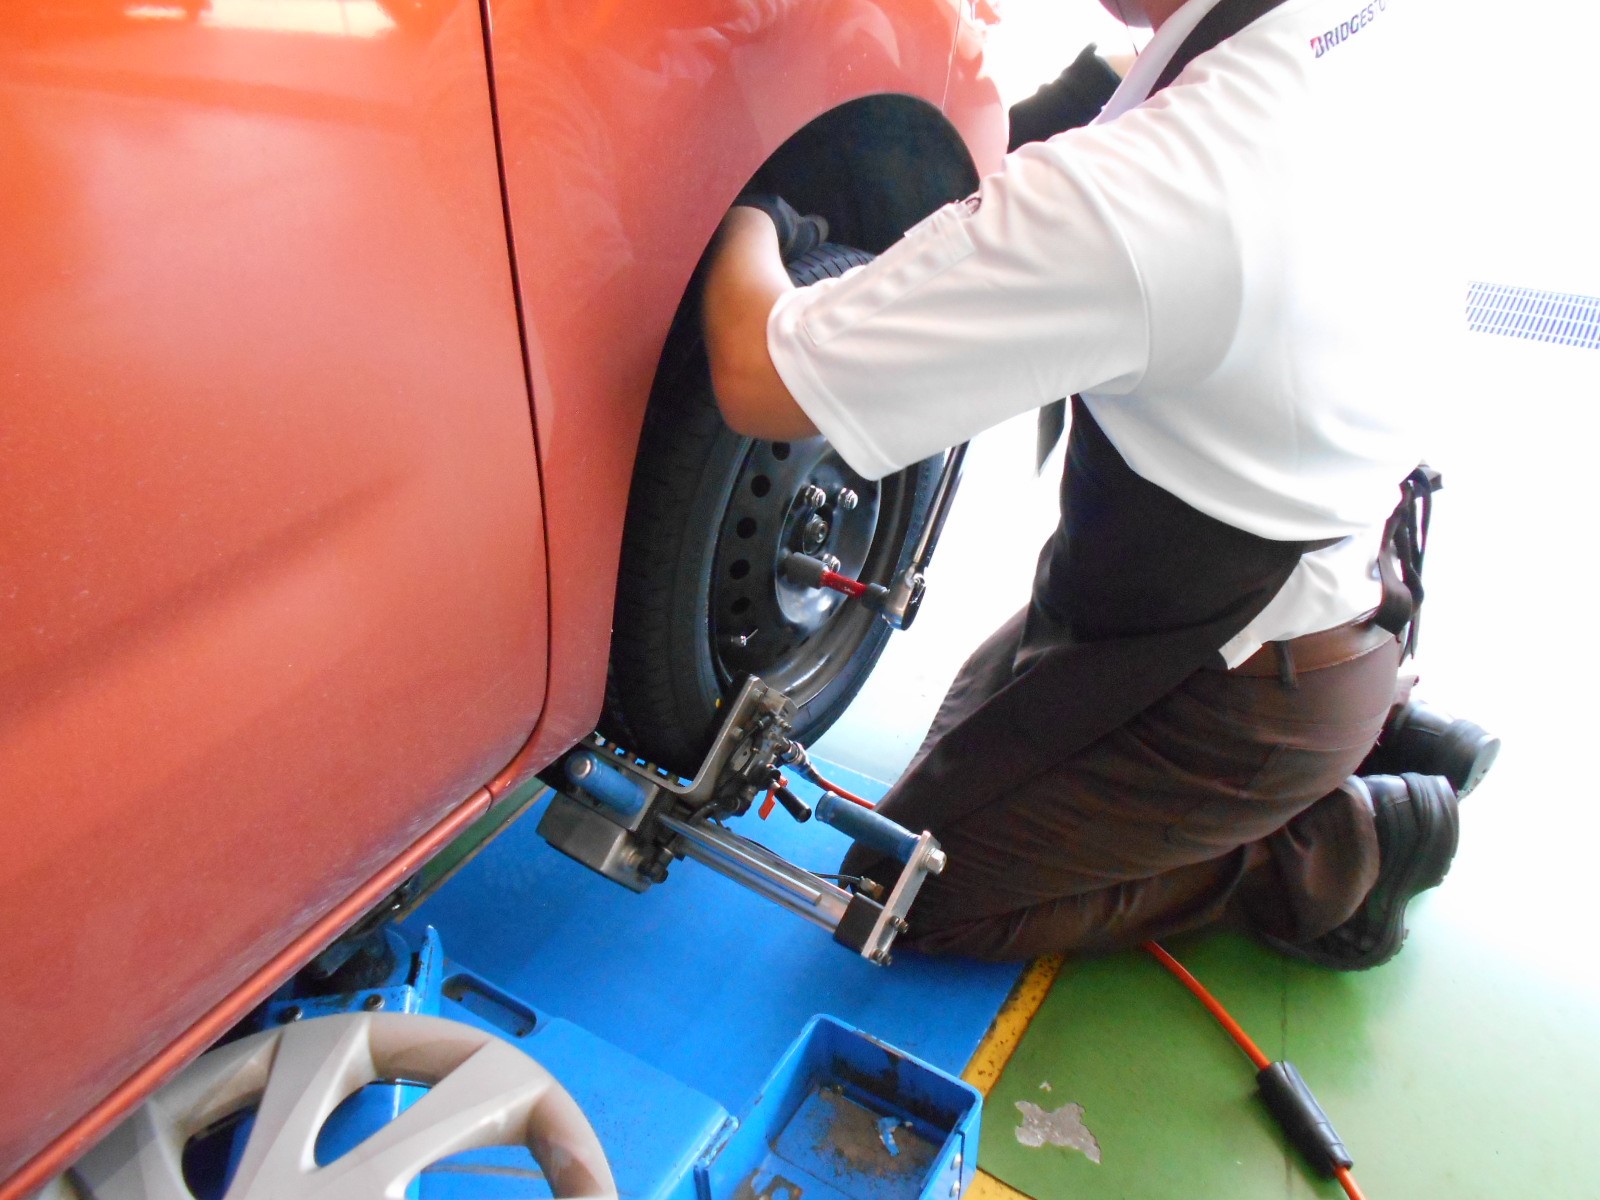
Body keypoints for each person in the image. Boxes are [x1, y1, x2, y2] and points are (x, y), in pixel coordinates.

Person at [698, 0, 1497, 968]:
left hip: (1246, 677)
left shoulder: (1158, 184)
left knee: (904, 884)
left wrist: (735, 201)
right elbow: (1105, 125)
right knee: (976, 731)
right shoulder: (1323, 31)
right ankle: (1375, 719)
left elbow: (762, 375)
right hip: (1285, 544)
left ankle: (1325, 841)